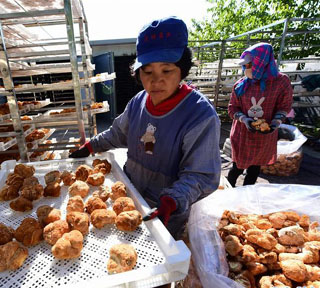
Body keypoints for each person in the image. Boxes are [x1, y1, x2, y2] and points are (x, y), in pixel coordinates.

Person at [70, 16, 221, 240]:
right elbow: (117, 134)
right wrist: (91, 146)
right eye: (147, 71)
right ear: (137, 72)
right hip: (129, 197)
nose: (156, 81)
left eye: (167, 70)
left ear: (182, 70)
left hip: (166, 212)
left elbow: (201, 174)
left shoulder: (199, 115)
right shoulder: (138, 102)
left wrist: (173, 200)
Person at [227, 43, 293, 187]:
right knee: (237, 168)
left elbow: (284, 106)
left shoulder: (281, 83)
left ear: (261, 63)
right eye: (244, 66)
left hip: (264, 138)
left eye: (249, 65)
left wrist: (275, 123)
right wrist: (245, 120)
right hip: (242, 135)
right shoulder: (241, 85)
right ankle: (228, 192)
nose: (245, 69)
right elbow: (232, 109)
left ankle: (246, 195)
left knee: (254, 169)